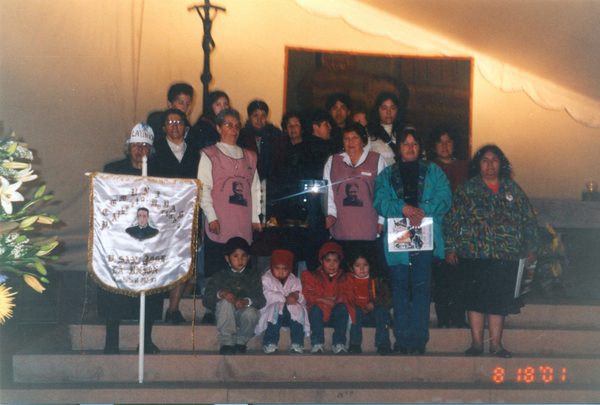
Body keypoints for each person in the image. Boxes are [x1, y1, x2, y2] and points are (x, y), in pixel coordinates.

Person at [443, 145, 540, 358]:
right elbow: (451, 220)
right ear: (478, 164)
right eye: (484, 160)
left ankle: (496, 345)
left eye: (494, 159)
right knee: (475, 301)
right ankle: (477, 344)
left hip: (505, 256)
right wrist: (450, 248)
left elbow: (528, 220)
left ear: (501, 163)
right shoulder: (467, 189)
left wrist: (531, 247)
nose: (489, 164)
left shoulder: (513, 189)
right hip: (473, 255)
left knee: (498, 302)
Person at [373, 127, 451, 355]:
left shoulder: (434, 171)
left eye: (414, 144)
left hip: (424, 234)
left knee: (420, 289)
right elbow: (379, 201)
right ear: (399, 148)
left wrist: (421, 211)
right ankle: (401, 339)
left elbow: (445, 198)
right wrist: (403, 208)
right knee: (399, 288)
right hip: (398, 236)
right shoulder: (387, 174)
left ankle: (418, 340)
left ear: (421, 147)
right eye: (405, 144)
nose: (410, 148)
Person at [99, 123, 163, 354]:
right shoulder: (112, 169)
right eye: (135, 145)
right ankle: (111, 340)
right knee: (112, 287)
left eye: (145, 146)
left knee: (151, 288)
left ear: (151, 150)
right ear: (128, 148)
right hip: (118, 241)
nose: (140, 150)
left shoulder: (160, 174)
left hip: (148, 241)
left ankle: (145, 340)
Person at [198, 108, 262, 286]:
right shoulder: (210, 154)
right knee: (217, 273)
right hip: (219, 222)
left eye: (236, 126)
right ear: (218, 128)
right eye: (228, 125)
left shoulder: (250, 156)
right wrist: (211, 217)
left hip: (241, 223)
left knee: (242, 274)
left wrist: (255, 217)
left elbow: (255, 189)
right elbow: (203, 189)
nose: (233, 129)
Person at [148, 108, 200, 325]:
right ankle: (155, 308)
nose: (174, 126)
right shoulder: (154, 151)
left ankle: (174, 308)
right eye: (169, 122)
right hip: (161, 216)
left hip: (188, 215)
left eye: (179, 122)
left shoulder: (196, 152)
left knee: (185, 260)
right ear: (163, 128)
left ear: (186, 127)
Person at [323, 122, 388, 280]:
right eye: (346, 138)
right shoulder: (333, 161)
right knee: (344, 275)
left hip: (368, 227)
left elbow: (383, 193)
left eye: (355, 138)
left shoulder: (377, 160)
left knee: (366, 273)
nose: (350, 142)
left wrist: (381, 220)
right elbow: (328, 192)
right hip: (342, 227)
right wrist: (331, 214)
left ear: (363, 141)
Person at [428, 124, 469, 328]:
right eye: (440, 142)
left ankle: (460, 320)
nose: (444, 146)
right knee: (441, 277)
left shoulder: (465, 167)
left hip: (462, 231)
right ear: (434, 146)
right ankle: (444, 319)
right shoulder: (428, 168)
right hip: (437, 229)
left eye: (449, 141)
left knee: (460, 278)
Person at [202, 237, 266, 355]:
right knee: (225, 302)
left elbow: (261, 300)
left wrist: (247, 301)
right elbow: (206, 300)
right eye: (235, 256)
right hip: (224, 316)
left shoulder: (253, 276)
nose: (240, 260)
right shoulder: (219, 276)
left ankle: (241, 341)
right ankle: (227, 343)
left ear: (248, 258)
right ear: (227, 259)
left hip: (242, 314)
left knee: (251, 313)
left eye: (243, 256)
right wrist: (220, 294)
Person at [301, 241, 354, 355]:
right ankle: (317, 343)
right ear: (321, 261)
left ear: (340, 262)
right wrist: (322, 300)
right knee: (315, 308)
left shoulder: (345, 278)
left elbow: (349, 294)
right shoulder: (313, 276)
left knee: (343, 309)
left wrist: (337, 300)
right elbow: (307, 294)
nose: (331, 264)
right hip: (318, 314)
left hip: (334, 313)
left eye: (335, 261)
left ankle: (339, 343)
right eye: (328, 260)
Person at [255, 249, 309, 354]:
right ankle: (270, 342)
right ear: (272, 267)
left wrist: (296, 296)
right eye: (277, 268)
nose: (281, 272)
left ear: (290, 269)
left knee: (296, 308)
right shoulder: (266, 279)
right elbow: (267, 295)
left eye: (285, 269)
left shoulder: (294, 280)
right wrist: (285, 298)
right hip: (274, 314)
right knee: (275, 308)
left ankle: (297, 343)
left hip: (289, 317)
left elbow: (302, 297)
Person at [346, 249, 393, 355]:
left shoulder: (376, 281)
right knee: (355, 310)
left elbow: (388, 299)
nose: (362, 268)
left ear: (370, 266)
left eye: (365, 265)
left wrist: (374, 302)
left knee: (382, 311)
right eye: (357, 265)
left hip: (372, 316)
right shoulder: (348, 280)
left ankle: (383, 344)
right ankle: (354, 344)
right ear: (351, 268)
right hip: (355, 318)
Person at [238, 100, 283, 181]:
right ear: (249, 117)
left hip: (270, 182)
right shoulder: (241, 135)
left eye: (263, 116)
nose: (260, 119)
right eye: (255, 115)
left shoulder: (275, 135)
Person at [366, 91, 408, 166]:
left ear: (397, 110)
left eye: (392, 108)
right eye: (384, 108)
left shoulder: (407, 132)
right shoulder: (369, 134)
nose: (388, 112)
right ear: (378, 110)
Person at [272, 110, 310, 180]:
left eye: (296, 125)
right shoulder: (281, 149)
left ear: (302, 128)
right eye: (290, 125)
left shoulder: (309, 149)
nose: (293, 128)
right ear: (285, 129)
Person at [305, 110, 336, 180]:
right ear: (315, 127)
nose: (330, 127)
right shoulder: (325, 147)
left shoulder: (304, 145)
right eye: (326, 124)